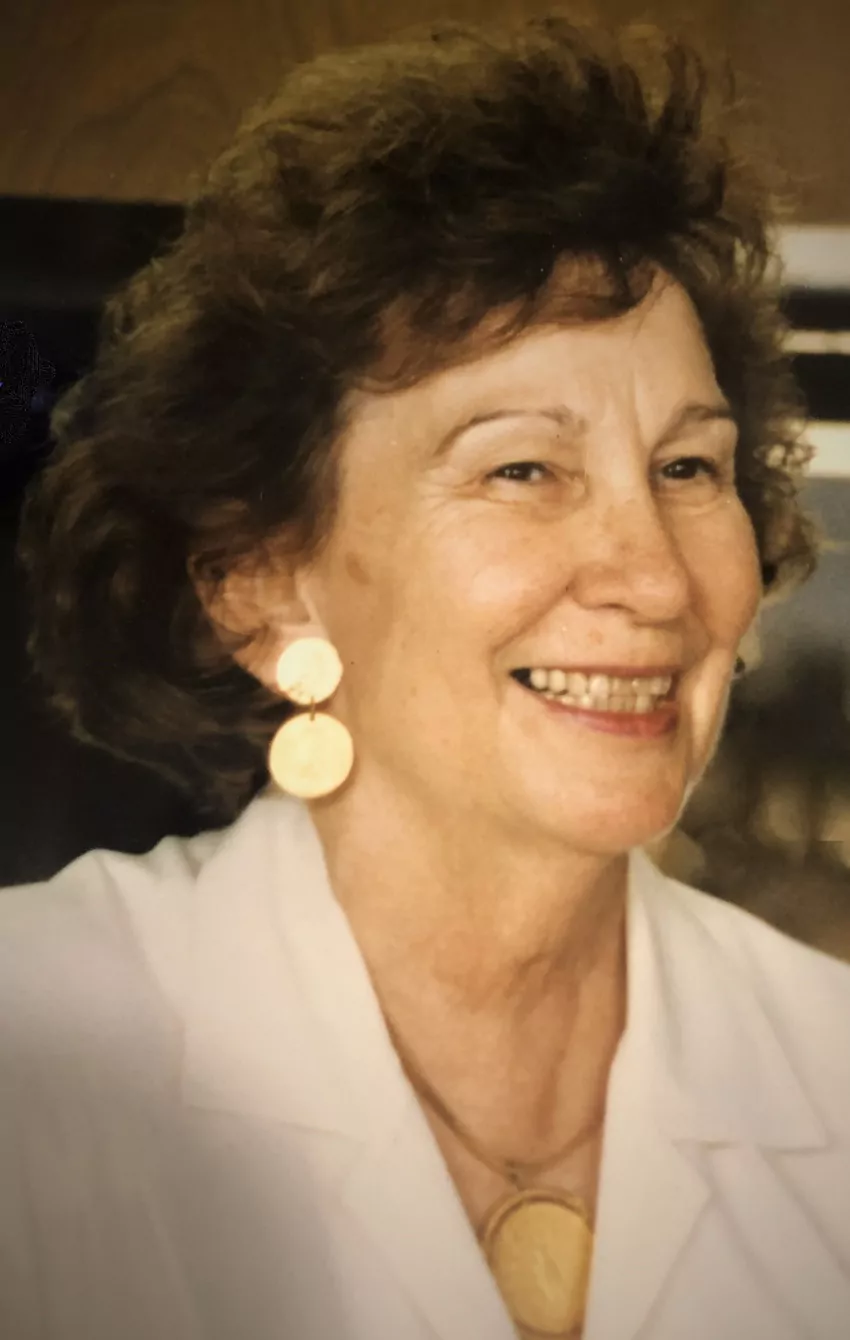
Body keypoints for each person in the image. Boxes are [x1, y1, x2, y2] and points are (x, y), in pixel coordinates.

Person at [4, 13, 849, 1340]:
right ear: (260, 578)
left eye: (688, 467)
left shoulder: (832, 1063)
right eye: (522, 468)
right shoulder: (32, 1044)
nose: (654, 577)